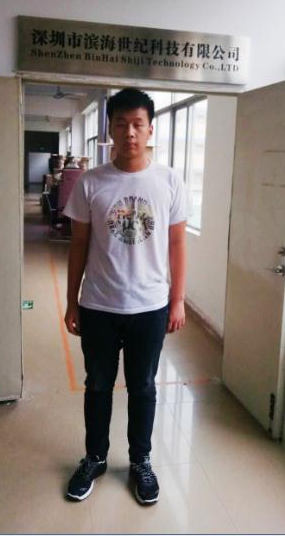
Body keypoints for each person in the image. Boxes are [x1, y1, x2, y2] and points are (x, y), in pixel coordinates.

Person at [63, 88, 187, 505]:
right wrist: (71, 301)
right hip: (99, 304)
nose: (130, 132)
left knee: (143, 387)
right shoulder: (91, 182)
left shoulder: (169, 181)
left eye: (138, 124)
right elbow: (78, 245)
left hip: (150, 306)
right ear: (110, 130)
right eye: (121, 124)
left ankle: (140, 461)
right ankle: (95, 457)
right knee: (98, 385)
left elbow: (177, 244)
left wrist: (178, 299)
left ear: (150, 129)